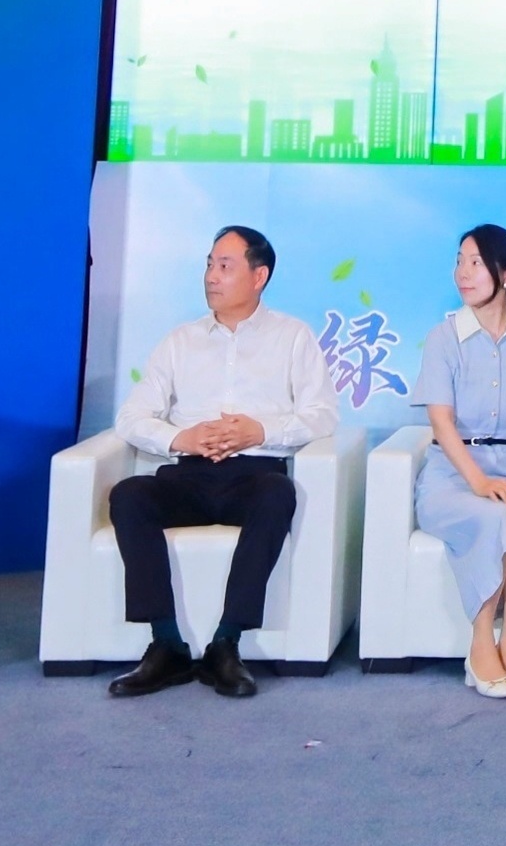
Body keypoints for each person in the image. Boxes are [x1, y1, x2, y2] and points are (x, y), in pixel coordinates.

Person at [107, 224, 337, 698]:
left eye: (225, 266)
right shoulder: (180, 341)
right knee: (129, 495)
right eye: (210, 264)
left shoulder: (293, 337)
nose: (212, 276)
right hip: (189, 475)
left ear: (259, 276)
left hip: (255, 475)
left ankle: (226, 644)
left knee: (278, 494)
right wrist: (182, 438)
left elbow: (322, 415)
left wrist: (260, 431)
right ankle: (166, 644)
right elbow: (130, 418)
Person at [414, 223, 506, 700]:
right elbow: (441, 422)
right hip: (450, 477)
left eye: (476, 263)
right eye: (459, 261)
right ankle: (480, 645)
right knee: (495, 516)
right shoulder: (444, 338)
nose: (463, 272)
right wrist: (478, 482)